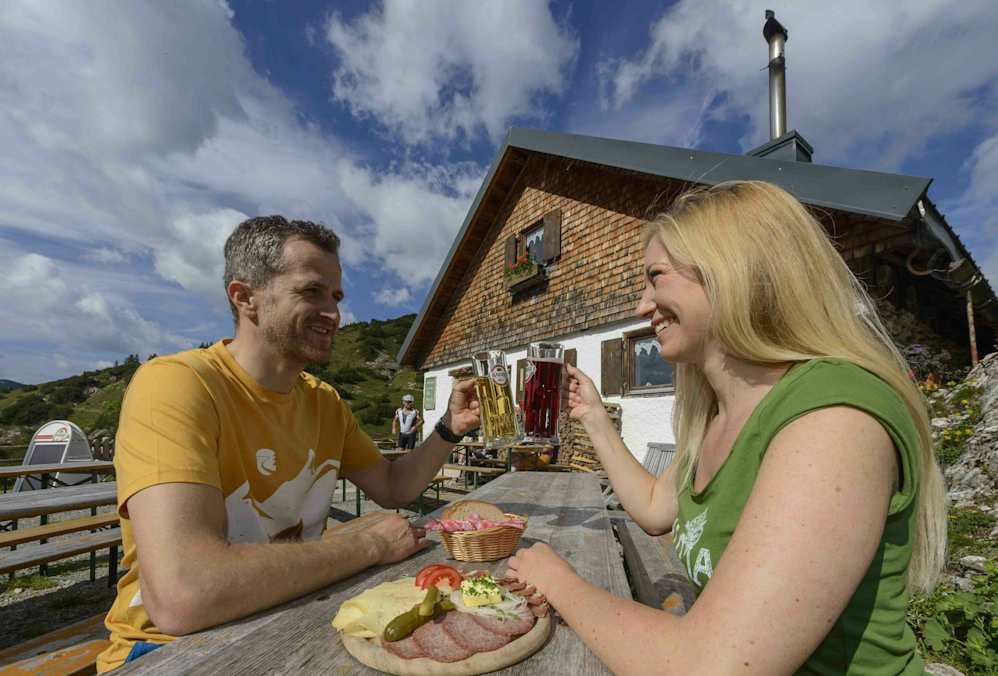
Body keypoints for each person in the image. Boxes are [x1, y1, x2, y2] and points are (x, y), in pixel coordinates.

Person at [506, 181, 946, 675]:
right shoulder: (718, 416)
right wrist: (592, 418)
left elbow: (712, 666)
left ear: (730, 272)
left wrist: (560, 583)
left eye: (656, 278)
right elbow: (655, 509)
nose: (641, 306)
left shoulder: (832, 414)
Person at [97, 216, 480, 672]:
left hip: (289, 618)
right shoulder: (177, 384)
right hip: (168, 651)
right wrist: (368, 546)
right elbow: (184, 596)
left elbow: (395, 487)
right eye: (311, 291)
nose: (334, 313)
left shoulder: (323, 402)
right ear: (246, 298)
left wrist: (449, 429)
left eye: (336, 297)